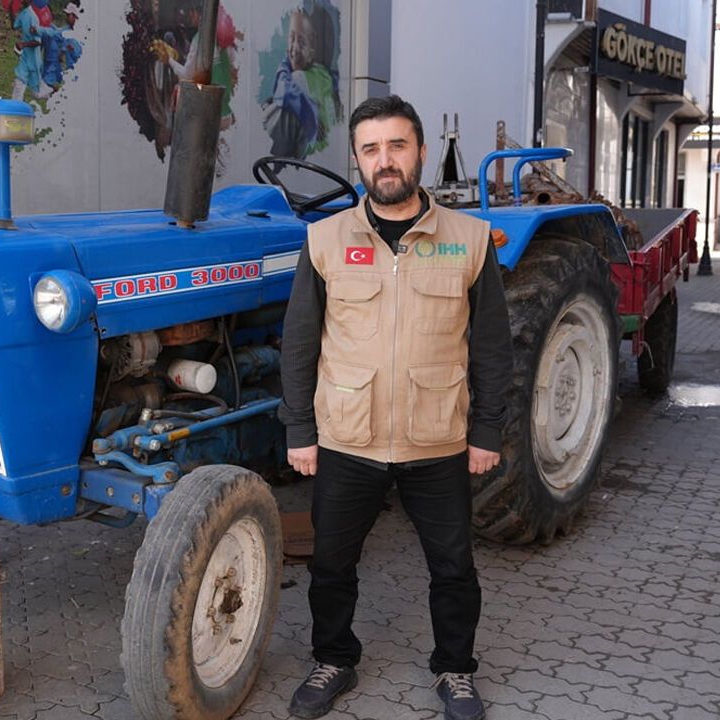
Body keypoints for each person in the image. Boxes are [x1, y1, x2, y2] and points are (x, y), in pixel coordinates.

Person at [279, 95, 513, 720]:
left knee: (454, 566)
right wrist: (300, 429)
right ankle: (334, 659)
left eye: (397, 146)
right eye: (371, 149)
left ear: (421, 153)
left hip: (437, 438)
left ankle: (455, 669)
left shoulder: (468, 240)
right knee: (331, 563)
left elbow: (492, 345)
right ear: (357, 160)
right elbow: (300, 341)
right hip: (347, 437)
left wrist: (487, 430)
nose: (385, 160)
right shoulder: (325, 240)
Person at [263, 8, 341, 158]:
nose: (295, 48)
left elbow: (284, 93)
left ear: (312, 53)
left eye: (302, 42)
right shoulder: (325, 76)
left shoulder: (298, 78)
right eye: (291, 38)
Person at [12, 0, 56, 101]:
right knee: (19, 83)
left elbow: (38, 42)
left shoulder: (32, 17)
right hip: (25, 58)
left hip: (34, 61)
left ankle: (54, 94)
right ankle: (15, 106)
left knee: (37, 93)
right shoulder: (23, 13)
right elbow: (14, 25)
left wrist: (23, 44)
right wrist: (11, 9)